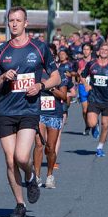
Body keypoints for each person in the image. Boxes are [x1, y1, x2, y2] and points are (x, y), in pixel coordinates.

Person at [0, 7, 60, 217]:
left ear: (26, 23)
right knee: (10, 161)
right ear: (7, 23)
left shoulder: (39, 48)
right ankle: (20, 203)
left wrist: (41, 85)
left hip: (28, 109)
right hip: (5, 112)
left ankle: (30, 175)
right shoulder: (0, 51)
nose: (14, 24)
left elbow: (56, 77)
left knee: (21, 156)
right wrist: (2, 78)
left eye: (18, 20)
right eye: (11, 21)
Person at [33, 44, 71, 189]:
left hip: (54, 114)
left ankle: (49, 175)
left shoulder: (59, 73)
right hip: (39, 112)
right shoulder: (34, 72)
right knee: (38, 144)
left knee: (50, 147)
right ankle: (36, 176)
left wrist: (49, 86)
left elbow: (64, 96)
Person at [81, 43, 108, 157]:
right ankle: (95, 126)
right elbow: (82, 75)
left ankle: (100, 147)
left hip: (107, 100)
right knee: (91, 122)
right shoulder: (91, 64)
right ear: (98, 51)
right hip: (94, 98)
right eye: (102, 49)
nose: (104, 51)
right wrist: (85, 85)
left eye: (106, 49)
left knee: (106, 124)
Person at [75, 43, 93, 135]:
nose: (85, 51)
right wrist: (78, 74)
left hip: (93, 86)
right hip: (82, 86)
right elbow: (76, 78)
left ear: (91, 51)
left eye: (87, 49)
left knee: (92, 108)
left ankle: (93, 123)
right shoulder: (79, 62)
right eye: (84, 49)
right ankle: (87, 125)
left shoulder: (95, 62)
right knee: (85, 110)